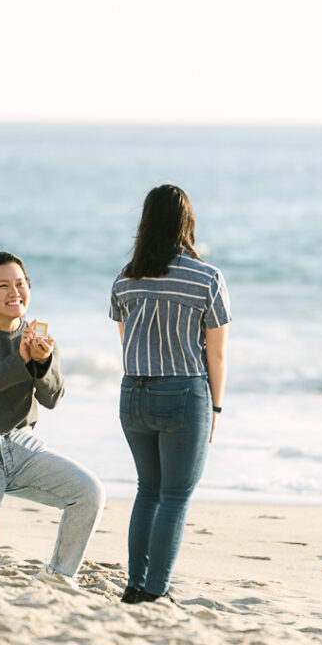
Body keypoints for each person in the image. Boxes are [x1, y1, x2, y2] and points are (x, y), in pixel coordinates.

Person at [0, 251, 105, 590]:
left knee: (89, 493)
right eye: (3, 285)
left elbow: (53, 398)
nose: (14, 292)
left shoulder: (37, 335)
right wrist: (20, 361)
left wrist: (42, 364)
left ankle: (59, 576)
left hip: (23, 447)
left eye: (20, 284)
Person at [110, 185, 230, 604]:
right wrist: (215, 405)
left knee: (148, 490)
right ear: (187, 224)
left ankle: (135, 584)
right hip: (182, 392)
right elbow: (216, 352)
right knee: (175, 496)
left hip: (133, 393)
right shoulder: (207, 278)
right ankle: (156, 590)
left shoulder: (125, 279)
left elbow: (126, 341)